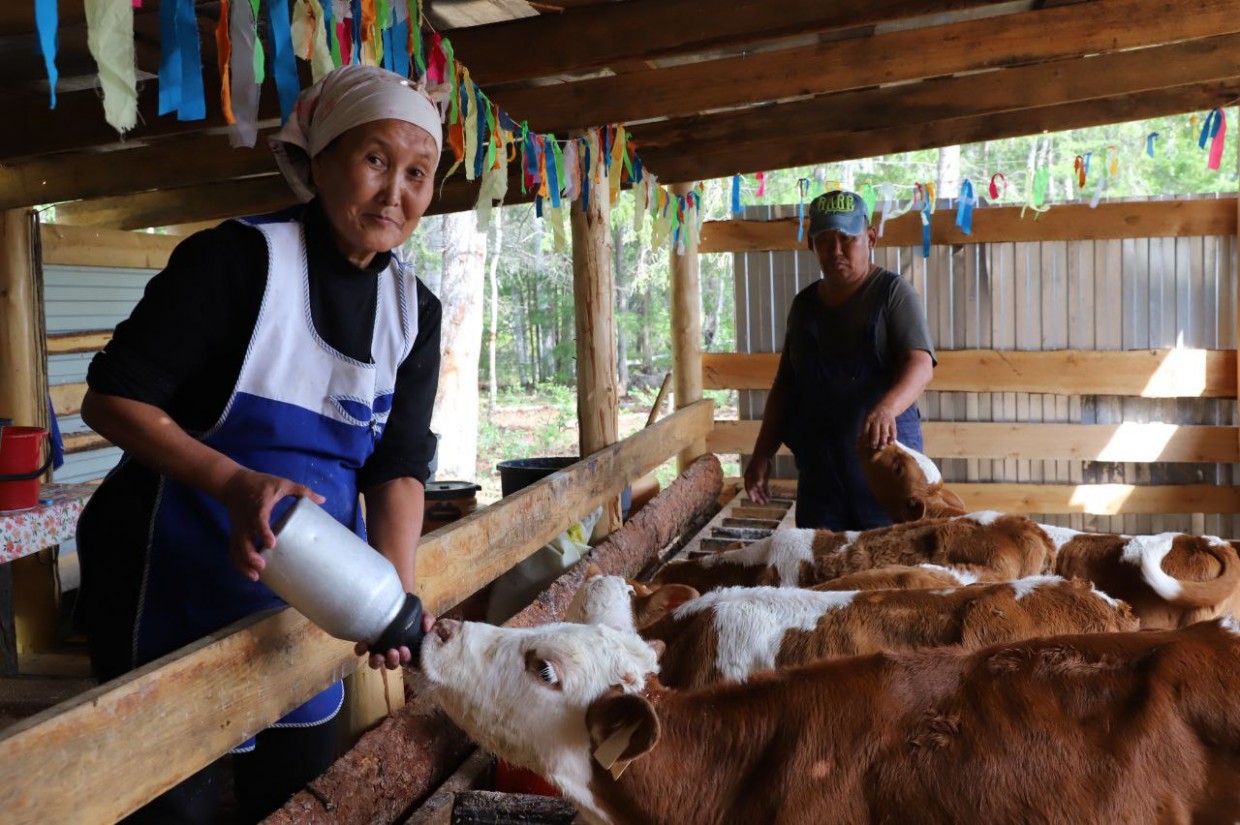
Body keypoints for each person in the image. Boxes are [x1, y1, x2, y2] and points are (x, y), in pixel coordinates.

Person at [75, 64, 443, 824]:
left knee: (292, 795)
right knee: (176, 806)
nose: (394, 193)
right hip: (166, 579)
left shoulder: (414, 311)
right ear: (317, 162)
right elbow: (112, 398)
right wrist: (237, 483)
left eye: (418, 172)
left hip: (309, 593)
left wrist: (391, 596)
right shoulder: (238, 263)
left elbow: (397, 465)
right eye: (375, 160)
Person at [743, 189, 936, 530]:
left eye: (847, 239)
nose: (835, 251)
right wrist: (761, 454)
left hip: (885, 477)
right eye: (824, 240)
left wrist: (887, 408)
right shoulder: (804, 306)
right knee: (821, 574)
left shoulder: (892, 294)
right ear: (811, 244)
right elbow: (785, 386)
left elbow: (920, 365)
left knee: (889, 575)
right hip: (822, 481)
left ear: (870, 238)